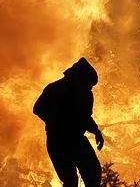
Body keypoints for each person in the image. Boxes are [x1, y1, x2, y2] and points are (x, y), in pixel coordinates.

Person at [33, 58, 104, 187]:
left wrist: (96, 131)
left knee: (93, 173)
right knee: (70, 180)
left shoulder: (86, 94)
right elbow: (37, 109)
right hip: (57, 141)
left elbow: (86, 117)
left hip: (77, 139)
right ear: (77, 77)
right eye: (88, 83)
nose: (89, 87)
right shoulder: (54, 89)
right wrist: (55, 121)